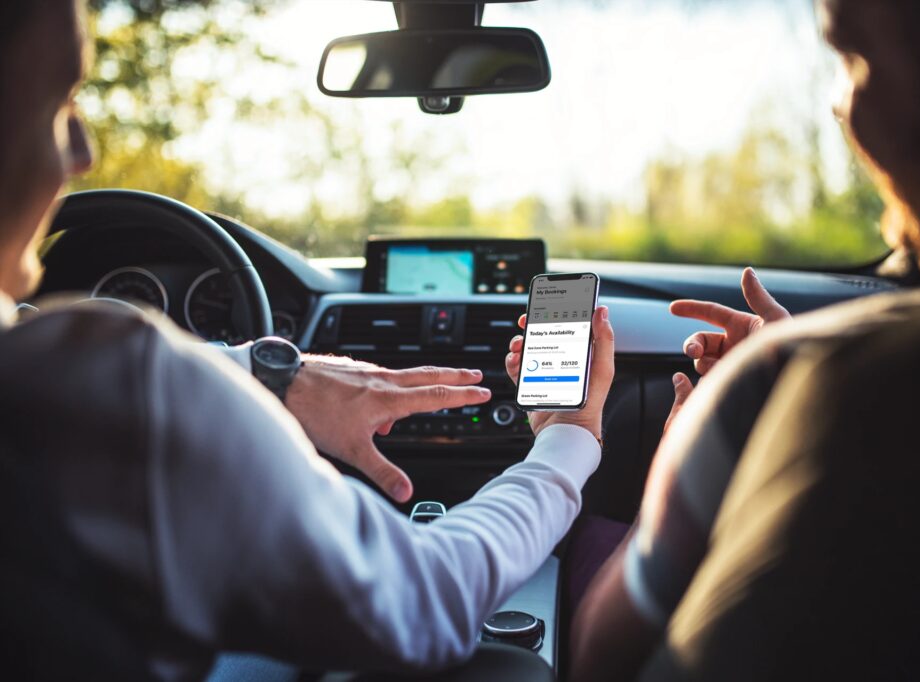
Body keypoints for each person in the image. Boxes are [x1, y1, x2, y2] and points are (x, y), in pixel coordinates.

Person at [0, 1, 615, 678]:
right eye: (59, 105)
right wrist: (567, 439)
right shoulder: (125, 391)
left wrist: (267, 376)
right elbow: (423, 600)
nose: (84, 153)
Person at [553, 0, 920, 679]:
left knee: (583, 546)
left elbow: (596, 658)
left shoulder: (800, 379)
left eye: (853, 64)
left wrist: (700, 441)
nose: (840, 106)